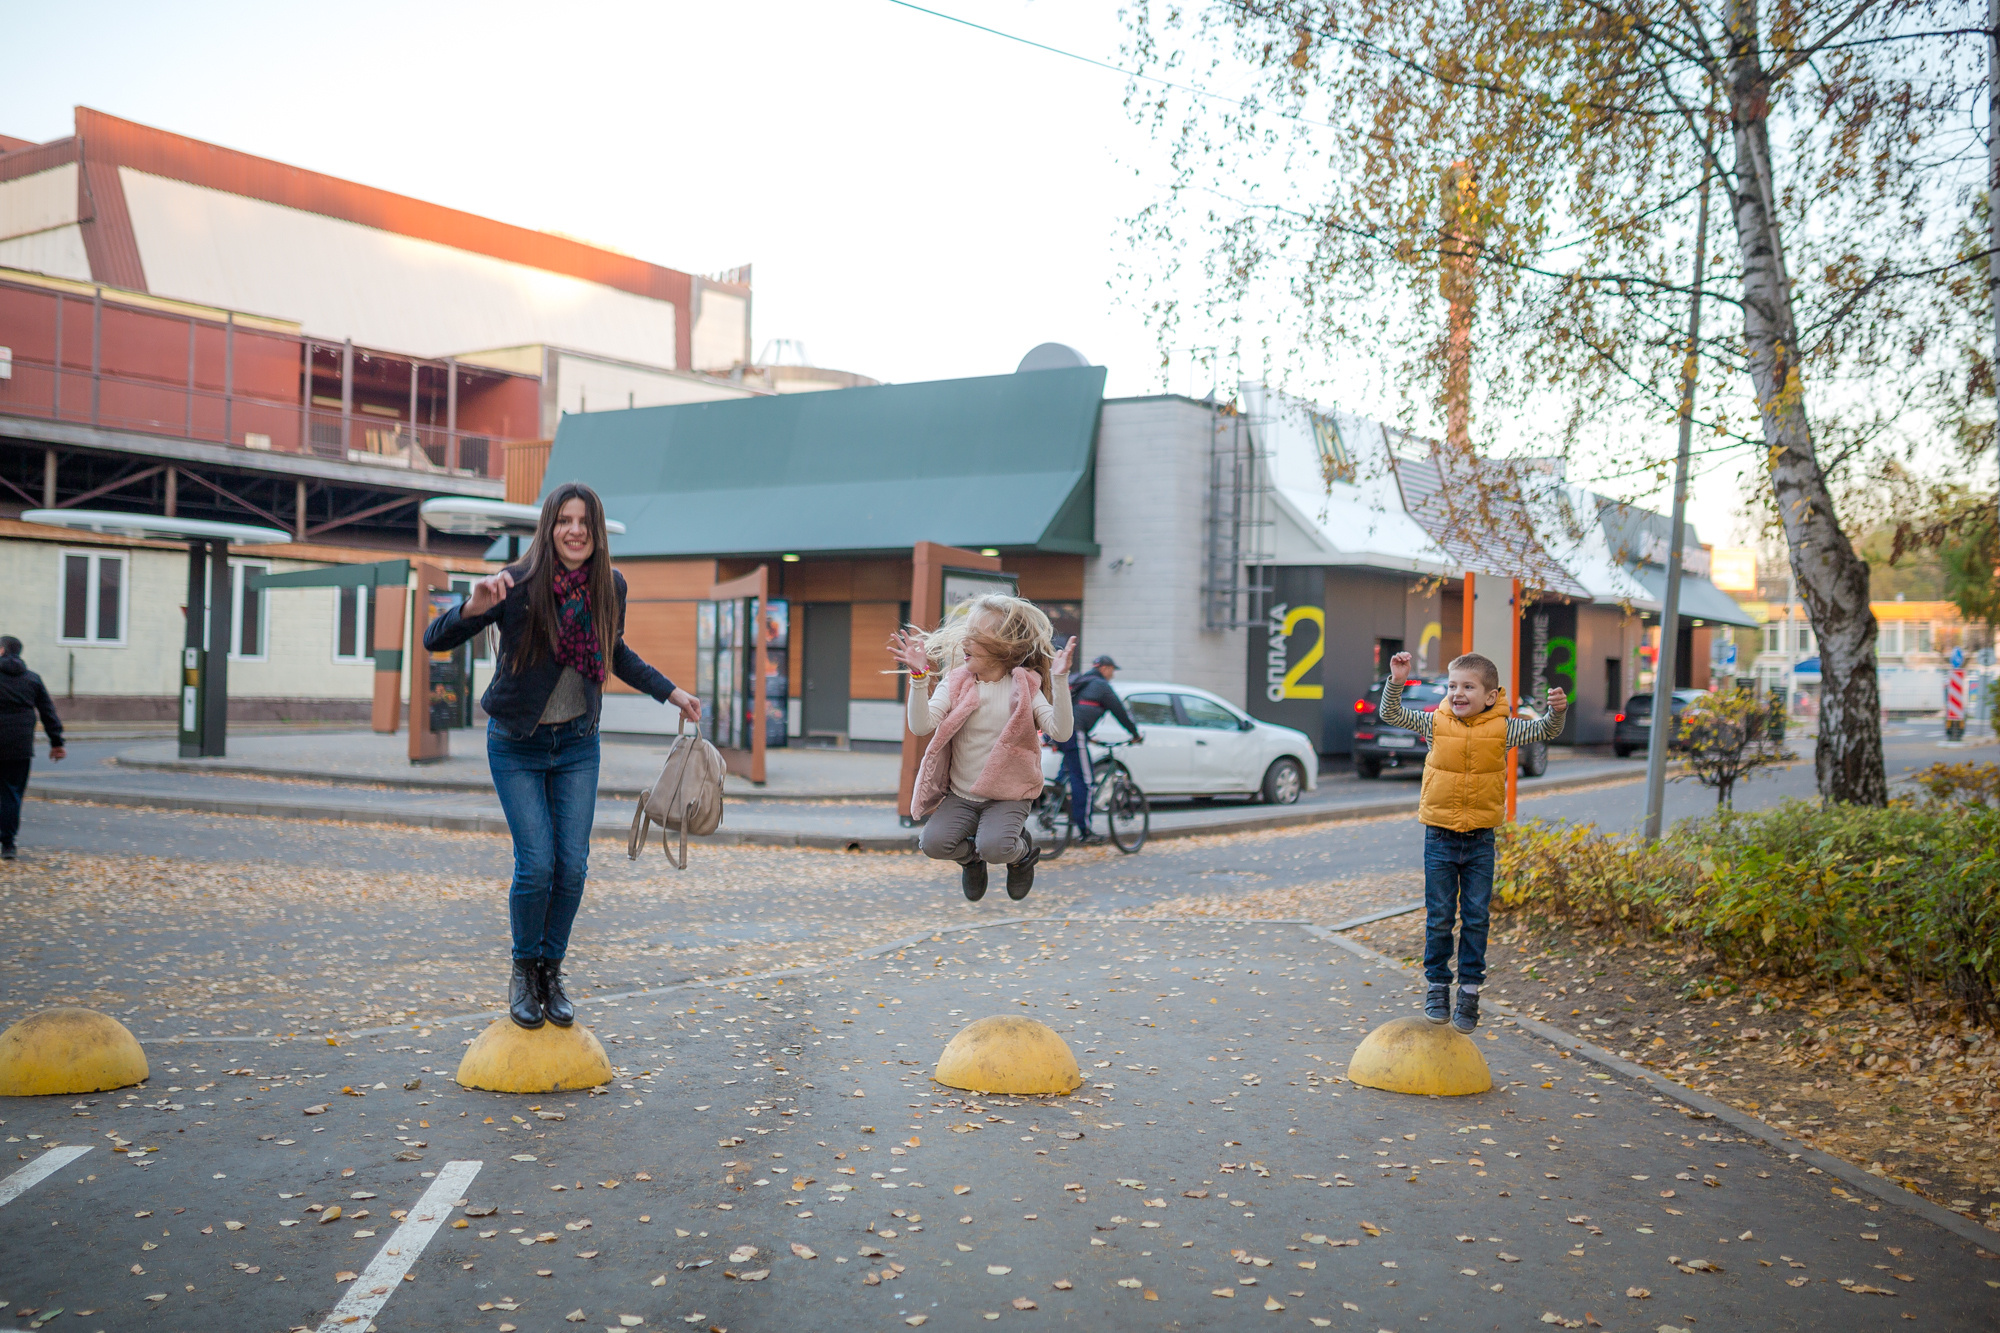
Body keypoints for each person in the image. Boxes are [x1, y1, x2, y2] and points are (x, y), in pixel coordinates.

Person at [424, 483, 699, 1030]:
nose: (575, 530)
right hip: (517, 744)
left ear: (597, 532)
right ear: (549, 528)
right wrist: (473, 609)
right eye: (564, 520)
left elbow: (615, 651)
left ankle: (552, 971)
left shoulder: (609, 587)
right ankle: (523, 971)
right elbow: (436, 639)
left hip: (577, 745)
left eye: (585, 522)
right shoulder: (517, 585)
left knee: (572, 868)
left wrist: (670, 692)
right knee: (538, 865)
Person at [1378, 650, 1565, 1032]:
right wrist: (1397, 682)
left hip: (1481, 840)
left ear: (1491, 695)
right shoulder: (1435, 723)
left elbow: (1546, 730)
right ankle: (1436, 987)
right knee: (1440, 916)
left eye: (1468, 687)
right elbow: (1392, 715)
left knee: (1477, 917)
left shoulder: (1506, 729)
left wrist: (1556, 711)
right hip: (1440, 837)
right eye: (1452, 686)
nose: (1457, 693)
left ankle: (1470, 992)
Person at [893, 595, 1073, 902]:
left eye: (975, 636)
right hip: (962, 794)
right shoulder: (956, 682)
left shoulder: (1025, 686)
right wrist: (919, 678)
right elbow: (921, 726)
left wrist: (1059, 680)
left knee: (996, 848)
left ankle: (1020, 855)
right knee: (933, 845)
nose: (965, 641)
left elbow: (1061, 732)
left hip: (1008, 795)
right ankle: (971, 860)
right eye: (967, 633)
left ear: (1004, 647)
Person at [1059, 654, 1143, 843]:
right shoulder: (1102, 686)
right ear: (1105, 668)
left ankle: (1055, 799)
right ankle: (1085, 831)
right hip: (1074, 732)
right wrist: (1135, 734)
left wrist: (1088, 736)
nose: (1112, 674)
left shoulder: (1082, 680)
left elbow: (1076, 709)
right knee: (1087, 781)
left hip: (1061, 731)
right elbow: (1120, 712)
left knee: (1069, 772)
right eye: (1112, 670)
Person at [0, 636, 65, 862]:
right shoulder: (32, 679)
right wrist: (56, 743)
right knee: (11, 793)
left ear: (1, 650)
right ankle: (8, 844)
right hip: (19, 747)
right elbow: (48, 713)